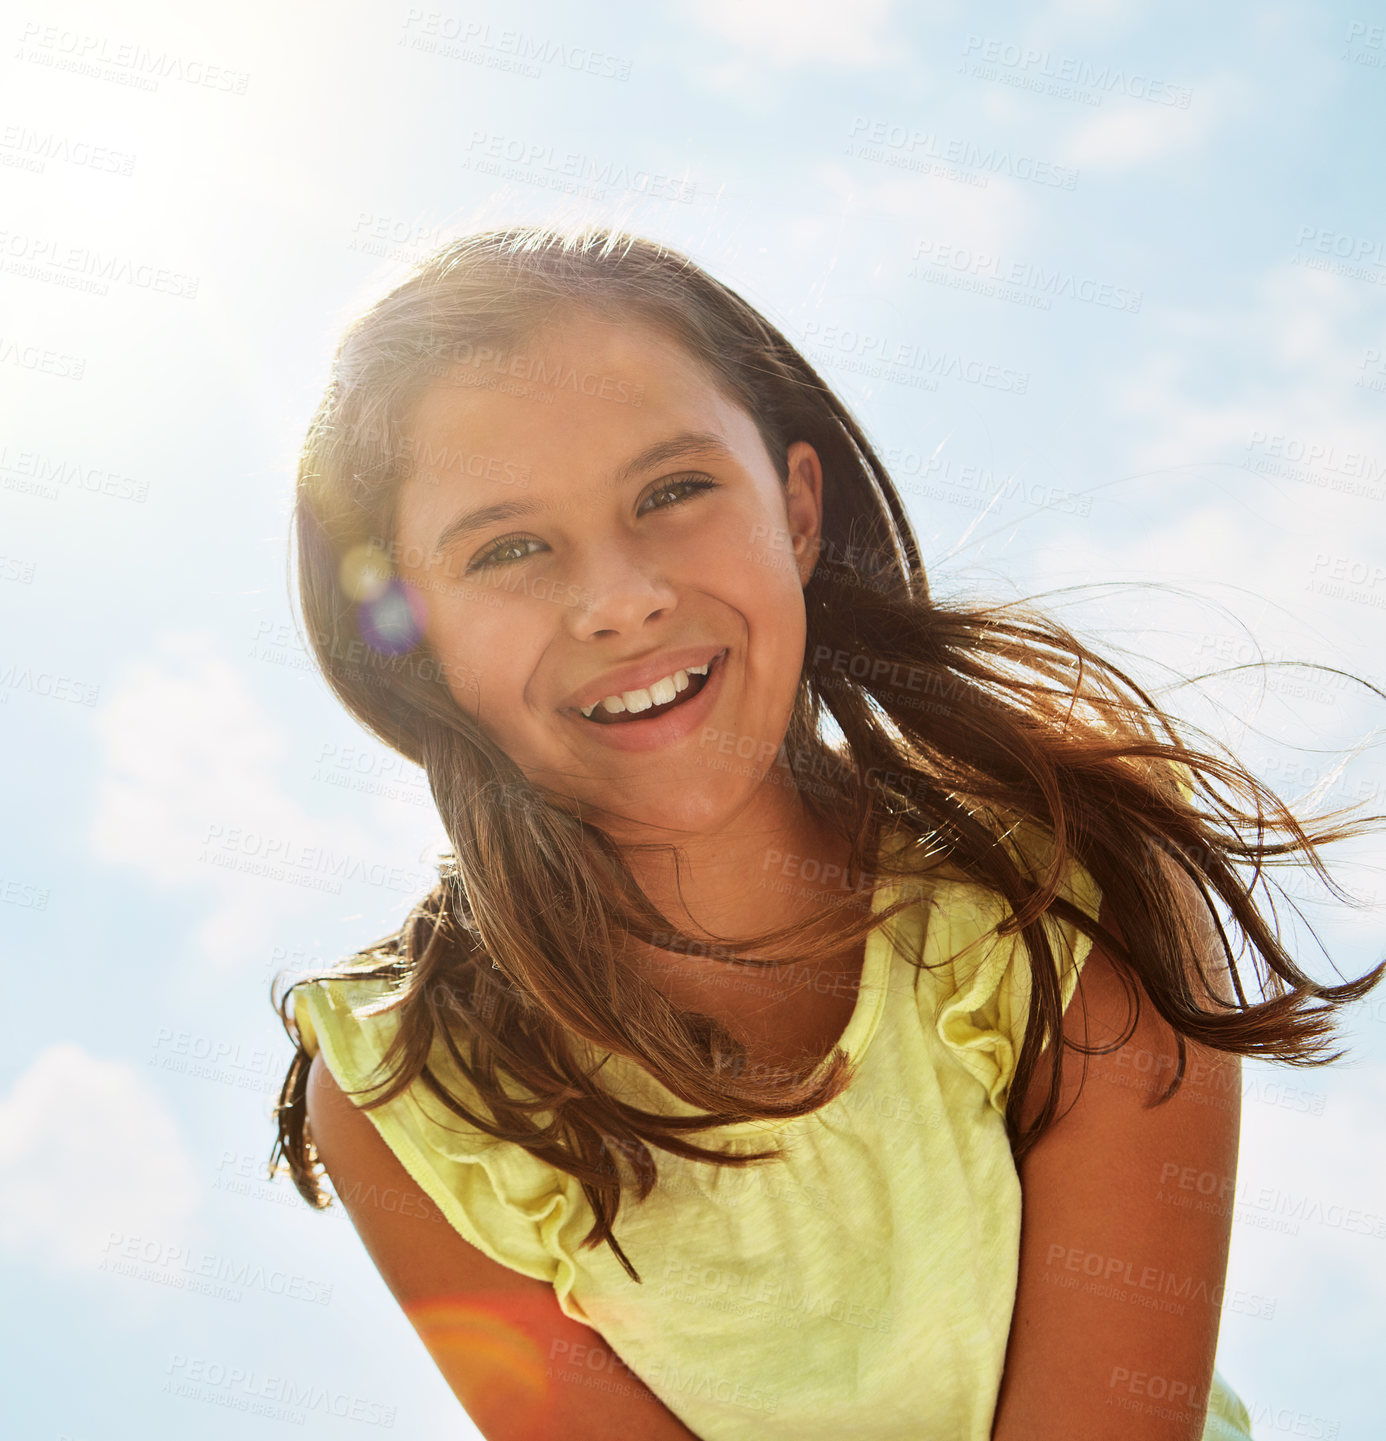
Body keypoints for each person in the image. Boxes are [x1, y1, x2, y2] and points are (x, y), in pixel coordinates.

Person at [268, 224, 1384, 1441]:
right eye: (510, 547)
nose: (622, 596)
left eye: (675, 491)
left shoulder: (1068, 877)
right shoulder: (411, 1096)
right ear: (406, 629)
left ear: (797, 512)